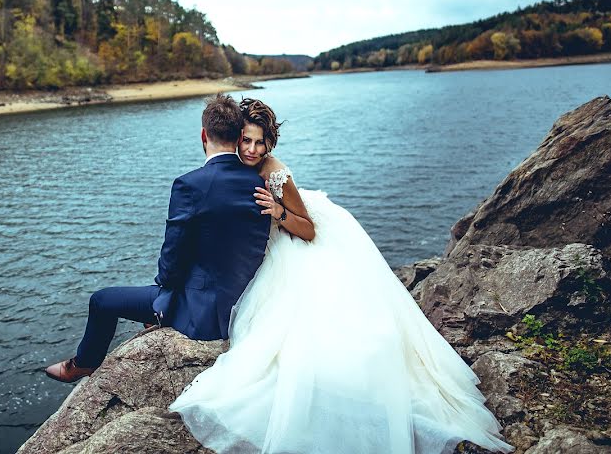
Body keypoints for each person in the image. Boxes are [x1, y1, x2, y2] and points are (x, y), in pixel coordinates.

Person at [169, 98, 513, 454]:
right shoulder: (232, 165)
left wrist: (276, 212)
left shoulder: (273, 171)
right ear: (236, 138)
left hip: (296, 237)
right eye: (247, 141)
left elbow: (308, 228)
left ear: (270, 143)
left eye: (261, 142)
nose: (253, 149)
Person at [45, 94, 271, 382]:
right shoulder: (259, 181)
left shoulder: (190, 184)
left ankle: (83, 364)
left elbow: (172, 257)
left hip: (205, 313)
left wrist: (164, 295)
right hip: (245, 302)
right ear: (240, 136)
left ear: (203, 135)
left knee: (101, 300)